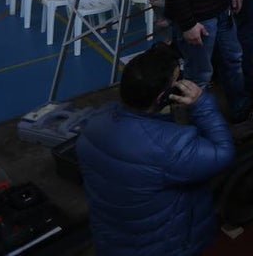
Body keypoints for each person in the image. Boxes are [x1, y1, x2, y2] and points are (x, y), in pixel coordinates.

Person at [76, 42, 236, 256]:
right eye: (177, 80)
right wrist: (201, 104)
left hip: (113, 239)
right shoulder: (171, 147)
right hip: (163, 246)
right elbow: (223, 152)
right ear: (162, 97)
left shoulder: (96, 121)